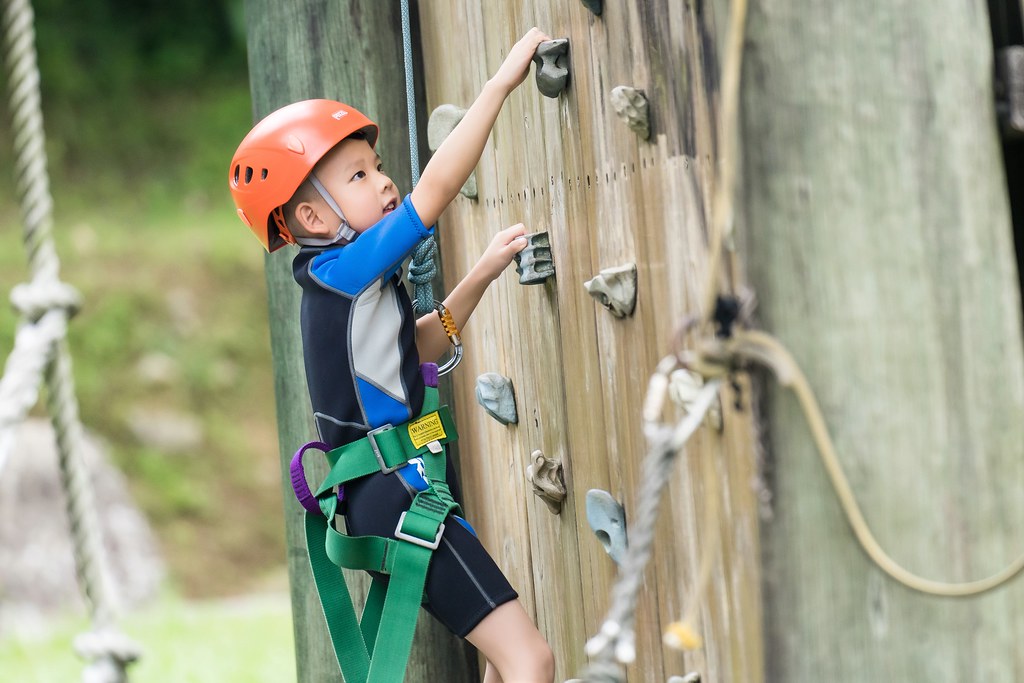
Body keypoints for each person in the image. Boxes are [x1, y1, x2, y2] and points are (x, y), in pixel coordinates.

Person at [229, 27, 555, 683]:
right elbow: (434, 193)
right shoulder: (345, 272)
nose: (383, 183)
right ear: (314, 219)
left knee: (504, 663)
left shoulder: (339, 287)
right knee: (531, 660)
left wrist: (482, 273)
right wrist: (499, 85)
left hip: (397, 485)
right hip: (398, 489)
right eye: (359, 175)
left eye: (376, 167)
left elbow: (413, 351)